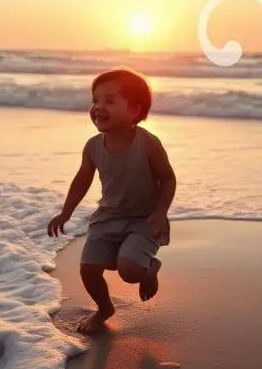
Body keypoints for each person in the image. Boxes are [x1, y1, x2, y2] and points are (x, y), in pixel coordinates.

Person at [47, 68, 176, 334]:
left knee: (128, 270)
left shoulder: (148, 143)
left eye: (109, 100)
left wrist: (161, 212)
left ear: (134, 110)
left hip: (144, 219)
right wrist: (65, 212)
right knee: (89, 270)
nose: (97, 107)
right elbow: (81, 181)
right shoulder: (93, 146)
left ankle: (149, 267)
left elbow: (168, 180)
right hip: (108, 218)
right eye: (95, 100)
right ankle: (104, 308)